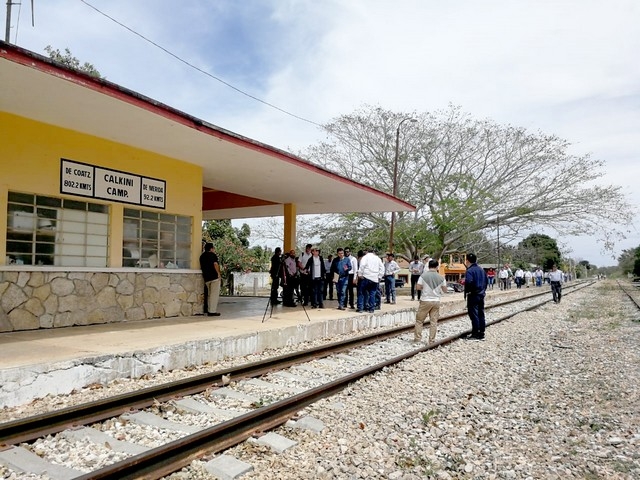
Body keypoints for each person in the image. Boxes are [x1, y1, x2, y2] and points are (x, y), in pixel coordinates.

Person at [414, 259, 448, 344]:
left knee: (419, 321)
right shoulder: (441, 277)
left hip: (425, 300)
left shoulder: (423, 276)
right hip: (436, 301)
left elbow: (418, 287)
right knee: (434, 322)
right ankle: (431, 340)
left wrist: (425, 288)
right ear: (437, 267)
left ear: (428, 266)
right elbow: (445, 290)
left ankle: (417, 339)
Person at [464, 253, 487, 340]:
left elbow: (469, 281)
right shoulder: (481, 269)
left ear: (467, 260)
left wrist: (468, 290)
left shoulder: (470, 271)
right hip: (481, 294)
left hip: (473, 294)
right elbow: (486, 281)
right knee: (481, 313)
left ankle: (475, 333)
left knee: (474, 314)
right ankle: (481, 332)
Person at [357, 247, 384, 313]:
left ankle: (360, 308)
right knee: (372, 294)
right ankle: (371, 309)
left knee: (362, 293)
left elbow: (362, 266)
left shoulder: (365, 257)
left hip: (366, 277)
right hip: (374, 278)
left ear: (367, 251)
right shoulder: (377, 258)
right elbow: (382, 268)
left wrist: (360, 274)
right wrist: (379, 276)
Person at [199, 242, 221, 316]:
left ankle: (208, 309)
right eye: (213, 248)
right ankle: (212, 311)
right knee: (214, 295)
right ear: (211, 249)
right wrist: (218, 273)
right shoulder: (213, 255)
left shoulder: (202, 256)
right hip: (214, 277)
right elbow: (215, 264)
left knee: (209, 295)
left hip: (206, 278)